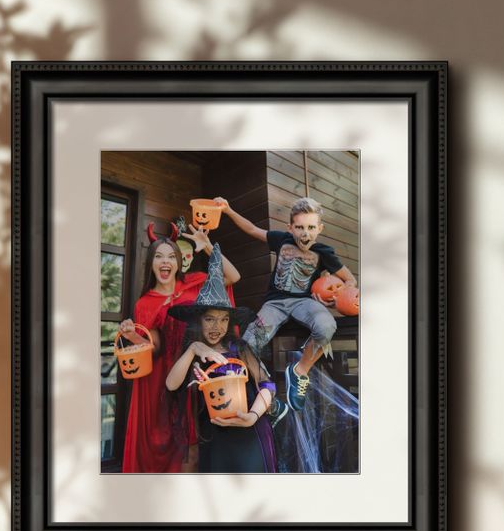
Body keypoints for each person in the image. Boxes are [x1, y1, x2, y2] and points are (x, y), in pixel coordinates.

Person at [117, 223, 241, 473]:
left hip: (199, 371)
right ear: (151, 263)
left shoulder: (195, 283)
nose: (165, 262)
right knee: (170, 441)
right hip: (165, 377)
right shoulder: (144, 303)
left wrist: (207, 246)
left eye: (171, 256)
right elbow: (153, 347)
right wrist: (132, 336)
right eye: (159, 256)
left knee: (194, 445)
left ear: (179, 262)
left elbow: (233, 277)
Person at [216, 195, 356, 412]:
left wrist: (333, 300)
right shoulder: (282, 240)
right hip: (275, 304)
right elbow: (253, 230)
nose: (305, 233)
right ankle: (267, 389)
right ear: (290, 227)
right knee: (247, 344)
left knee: (326, 326)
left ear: (320, 228)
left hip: (305, 303)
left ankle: (300, 371)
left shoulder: (324, 253)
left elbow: (350, 280)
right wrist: (228, 210)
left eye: (311, 227)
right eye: (299, 227)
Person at [163, 245, 278, 473]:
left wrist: (253, 416)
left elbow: (268, 385)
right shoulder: (194, 354)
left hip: (250, 433)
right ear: (199, 321)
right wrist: (194, 349)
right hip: (214, 438)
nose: (217, 327)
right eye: (210, 320)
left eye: (223, 320)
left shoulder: (239, 348)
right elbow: (170, 384)